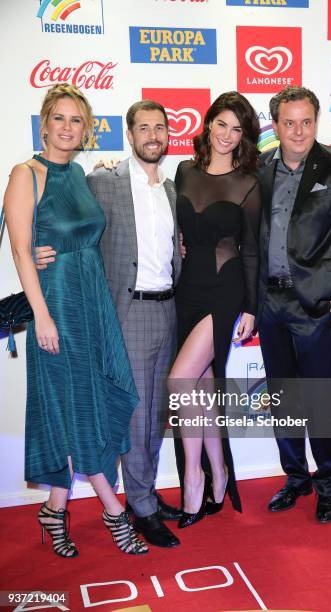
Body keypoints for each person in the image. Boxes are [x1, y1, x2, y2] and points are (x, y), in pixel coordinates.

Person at [4, 83, 147, 557]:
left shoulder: (82, 173)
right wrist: (41, 317)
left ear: (86, 130)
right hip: (57, 306)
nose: (67, 127)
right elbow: (22, 250)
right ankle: (113, 509)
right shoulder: (27, 174)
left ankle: (54, 508)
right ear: (43, 124)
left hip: (92, 301)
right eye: (59, 119)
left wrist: (105, 168)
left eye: (76, 120)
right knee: (76, 403)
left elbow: (85, 229)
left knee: (88, 397)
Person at [35, 99, 182, 548]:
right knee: (134, 416)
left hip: (168, 309)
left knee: (156, 415)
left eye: (160, 127)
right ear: (130, 134)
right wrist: (44, 249)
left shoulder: (173, 188)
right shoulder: (100, 180)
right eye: (144, 128)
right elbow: (65, 216)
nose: (153, 135)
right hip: (126, 311)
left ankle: (146, 492)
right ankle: (140, 508)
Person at [257, 86, 331, 523]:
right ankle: (296, 477)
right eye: (289, 122)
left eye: (306, 121)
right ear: (276, 126)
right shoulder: (260, 168)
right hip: (269, 303)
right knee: (283, 398)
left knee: (319, 400)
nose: (298, 131)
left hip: (316, 305)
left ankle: (329, 485)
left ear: (316, 121)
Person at [168, 91, 261, 527]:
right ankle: (217, 472)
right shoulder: (184, 171)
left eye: (237, 129)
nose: (227, 135)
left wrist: (251, 309)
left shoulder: (249, 181)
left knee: (180, 380)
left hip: (226, 291)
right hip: (186, 288)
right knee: (200, 390)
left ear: (245, 136)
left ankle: (192, 480)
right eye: (221, 124)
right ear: (208, 125)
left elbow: (254, 250)